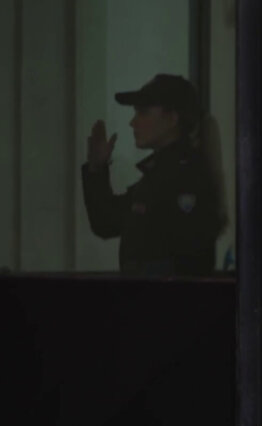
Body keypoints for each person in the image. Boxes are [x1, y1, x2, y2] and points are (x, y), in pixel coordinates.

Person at [82, 73, 225, 276]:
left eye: (143, 112)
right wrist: (96, 169)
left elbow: (187, 264)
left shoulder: (186, 178)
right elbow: (106, 222)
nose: (133, 122)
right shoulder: (160, 175)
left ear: (172, 118)